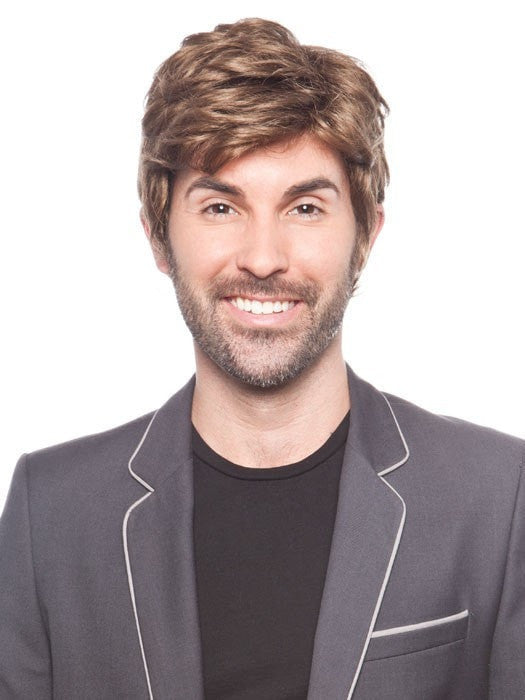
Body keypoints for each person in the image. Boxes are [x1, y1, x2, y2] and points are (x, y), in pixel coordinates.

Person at [0, 17, 523, 700]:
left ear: (365, 238)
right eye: (221, 207)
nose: (264, 258)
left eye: (304, 208)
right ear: (158, 238)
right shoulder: (51, 513)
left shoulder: (496, 496)